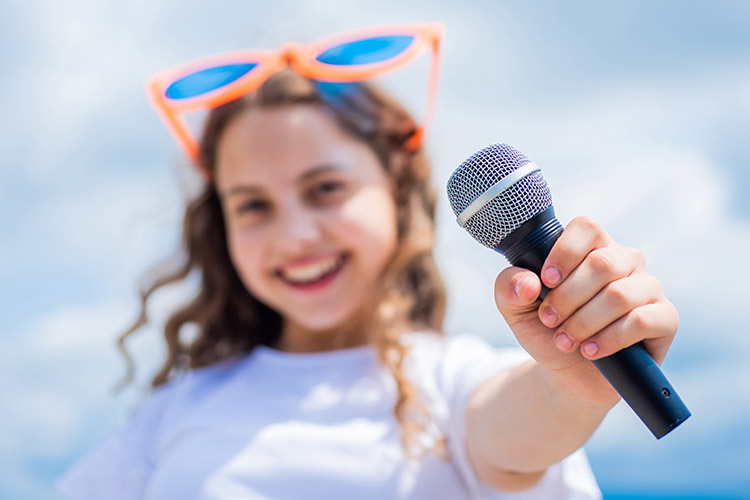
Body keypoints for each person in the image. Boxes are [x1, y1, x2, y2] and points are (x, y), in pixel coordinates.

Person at [58, 23, 678, 500]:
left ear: (397, 192)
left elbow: (521, 428)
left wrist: (571, 389)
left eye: (325, 189)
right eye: (252, 205)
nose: (295, 234)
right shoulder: (174, 415)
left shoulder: (452, 381)